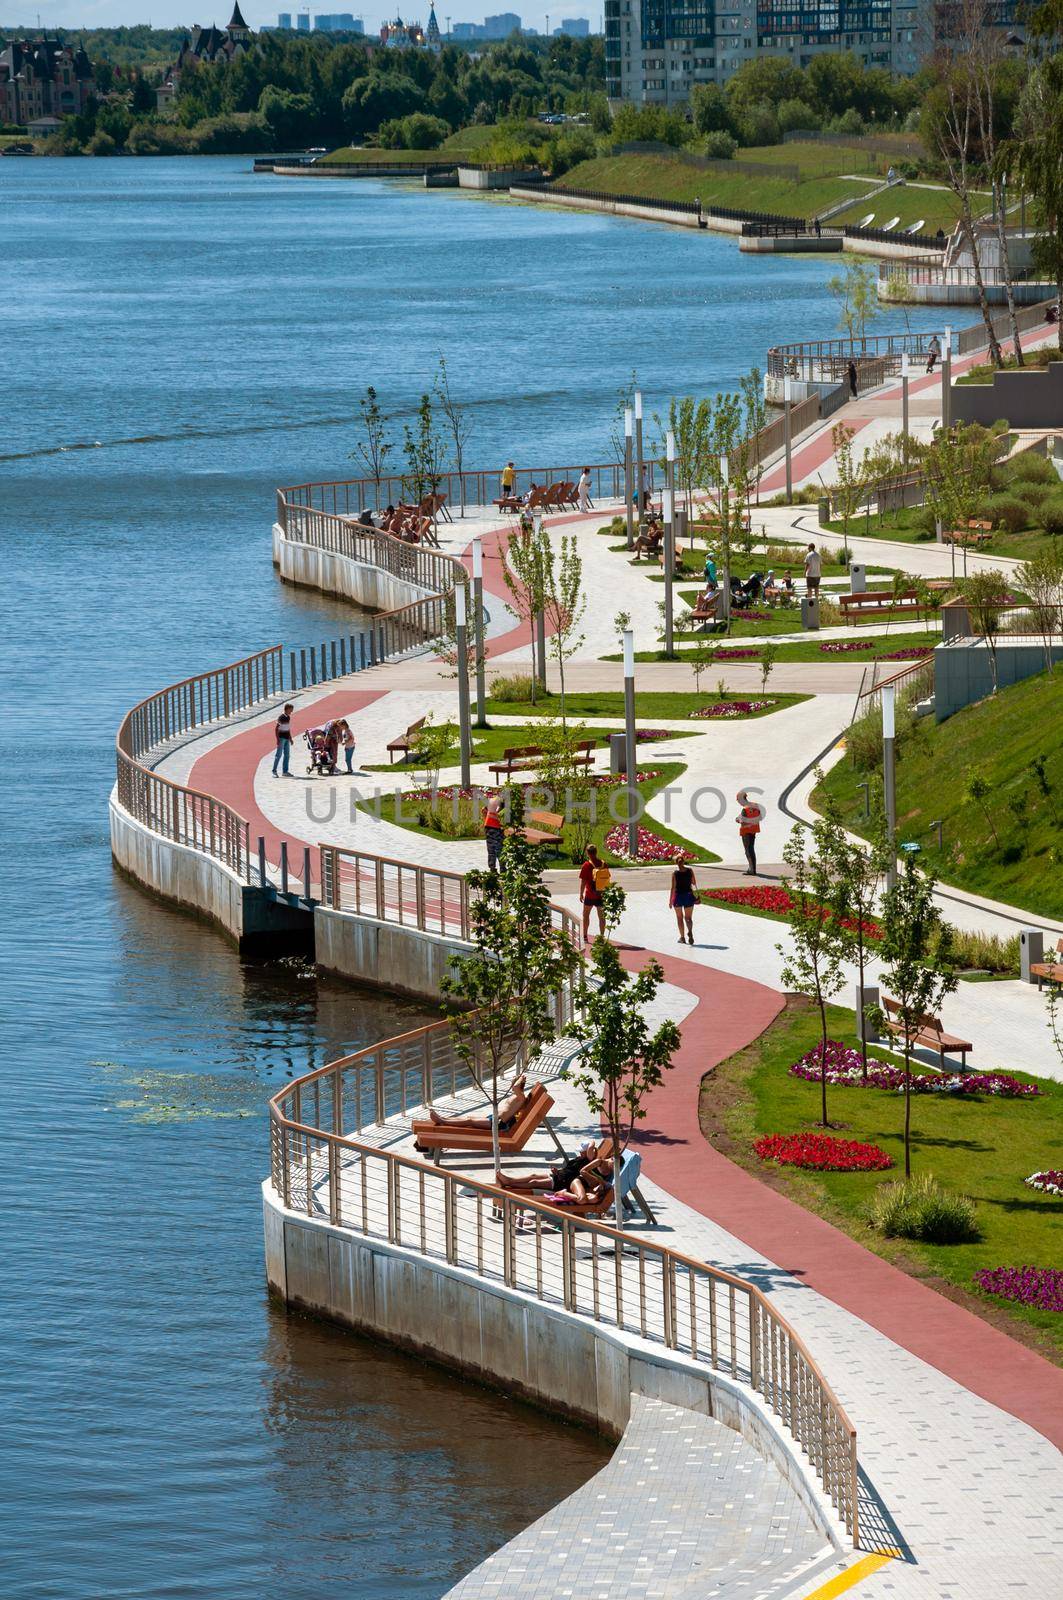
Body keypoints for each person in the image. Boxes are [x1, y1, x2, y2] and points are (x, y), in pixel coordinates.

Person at [426, 1072, 530, 1133]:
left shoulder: (521, 1097)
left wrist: (521, 1078)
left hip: (498, 1123)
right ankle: (443, 1119)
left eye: (513, 1080)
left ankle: (442, 1121)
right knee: (468, 1117)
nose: (511, 1081)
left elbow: (515, 1087)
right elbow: (514, 1087)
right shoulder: (516, 1096)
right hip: (493, 1118)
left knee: (470, 1121)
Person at [496, 1139, 599, 1194]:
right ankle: (509, 1180)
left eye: (582, 1152)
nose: (580, 1153)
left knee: (534, 1183)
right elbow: (568, 1170)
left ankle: (509, 1183)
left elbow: (591, 1145)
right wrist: (557, 1171)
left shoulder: (588, 1161)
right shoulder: (579, 1159)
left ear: (588, 1152)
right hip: (558, 1176)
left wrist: (591, 1144)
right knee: (533, 1175)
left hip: (562, 1183)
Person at [579, 844, 610, 946]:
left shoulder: (586, 865)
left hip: (589, 894)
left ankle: (585, 936)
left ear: (587, 853)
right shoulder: (603, 863)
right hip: (601, 894)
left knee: (586, 914)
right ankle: (601, 936)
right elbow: (607, 878)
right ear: (596, 852)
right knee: (601, 916)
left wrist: (581, 893)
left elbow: (583, 881)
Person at [670, 860, 699, 944]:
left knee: (679, 918)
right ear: (683, 862)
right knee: (688, 918)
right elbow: (694, 882)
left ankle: (682, 938)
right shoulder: (690, 871)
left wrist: (670, 900)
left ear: (676, 863)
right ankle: (690, 931)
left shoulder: (675, 873)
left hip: (678, 896)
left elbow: (673, 888)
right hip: (688, 896)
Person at [736, 789, 761, 877]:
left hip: (746, 831)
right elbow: (759, 817)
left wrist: (738, 819)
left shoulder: (745, 809)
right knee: (751, 848)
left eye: (738, 800)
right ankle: (752, 868)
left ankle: (752, 869)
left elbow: (742, 820)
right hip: (754, 829)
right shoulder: (755, 806)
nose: (738, 802)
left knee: (748, 850)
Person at [483, 792, 504, 871]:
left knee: (491, 849)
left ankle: (492, 869)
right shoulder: (502, 803)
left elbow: (483, 810)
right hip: (496, 828)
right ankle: (502, 869)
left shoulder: (491, 800)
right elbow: (498, 812)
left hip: (488, 827)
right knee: (499, 849)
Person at [273, 703, 294, 776]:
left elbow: (288, 728)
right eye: (291, 710)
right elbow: (276, 729)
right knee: (278, 755)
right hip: (281, 738)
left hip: (287, 738)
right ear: (287, 709)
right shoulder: (281, 717)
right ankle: (274, 771)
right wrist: (277, 739)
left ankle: (285, 771)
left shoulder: (288, 717)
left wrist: (290, 738)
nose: (291, 712)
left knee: (287, 755)